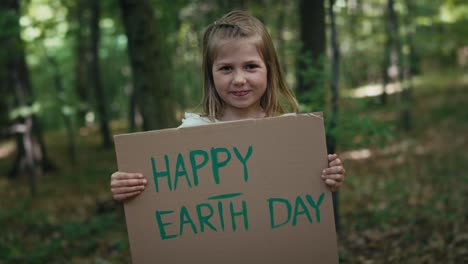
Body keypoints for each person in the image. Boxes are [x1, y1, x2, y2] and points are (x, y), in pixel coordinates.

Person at [110, 10, 346, 202]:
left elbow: (306, 194)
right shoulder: (192, 133)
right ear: (210, 75)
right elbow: (164, 191)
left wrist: (327, 177)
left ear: (269, 69)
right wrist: (127, 185)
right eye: (226, 68)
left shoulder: (289, 131)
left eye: (251, 66)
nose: (239, 79)